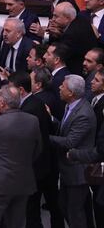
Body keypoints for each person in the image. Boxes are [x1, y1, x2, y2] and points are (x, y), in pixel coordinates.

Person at [0, 85, 42, 228]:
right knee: (16, 223)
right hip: (23, 181)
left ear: (2, 103)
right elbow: (38, 149)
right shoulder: (33, 120)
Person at [8, 72, 63, 228]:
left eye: (10, 89)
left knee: (31, 210)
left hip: (35, 168)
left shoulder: (28, 110)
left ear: (20, 90)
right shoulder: (36, 102)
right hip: (45, 164)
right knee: (51, 205)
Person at [50, 74, 96, 228]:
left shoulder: (83, 114)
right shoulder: (71, 106)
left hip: (78, 171)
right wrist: (51, 119)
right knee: (64, 206)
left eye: (62, 86)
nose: (59, 87)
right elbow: (65, 129)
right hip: (68, 169)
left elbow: (70, 141)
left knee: (75, 212)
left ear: (71, 93)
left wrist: (45, 136)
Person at [48, 2, 97, 75]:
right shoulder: (81, 18)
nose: (53, 19)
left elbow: (59, 55)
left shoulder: (71, 34)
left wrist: (55, 35)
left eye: (56, 16)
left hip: (77, 71)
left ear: (67, 18)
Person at [43, 42, 71, 120]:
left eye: (48, 54)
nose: (44, 56)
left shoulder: (59, 80)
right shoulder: (61, 75)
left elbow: (58, 108)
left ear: (57, 60)